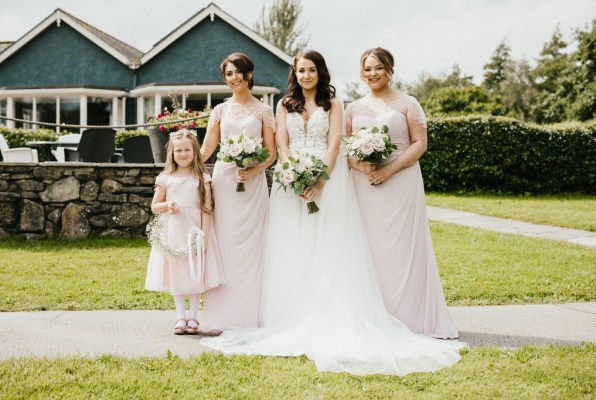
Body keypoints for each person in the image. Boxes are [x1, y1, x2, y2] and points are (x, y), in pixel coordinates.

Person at [202, 50, 463, 376]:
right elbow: (281, 143)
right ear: (294, 74)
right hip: (291, 185)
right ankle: (287, 315)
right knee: (293, 249)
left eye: (311, 70)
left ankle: (328, 310)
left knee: (327, 249)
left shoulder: (335, 104)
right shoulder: (283, 105)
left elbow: (335, 146)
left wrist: (320, 180)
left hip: (329, 182)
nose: (306, 75)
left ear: (320, 72)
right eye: (301, 70)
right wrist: (293, 174)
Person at [345, 47, 458, 339]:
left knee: (402, 246)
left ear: (390, 70)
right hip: (364, 184)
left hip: (401, 182)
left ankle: (409, 317)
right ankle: (374, 314)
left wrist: (390, 169)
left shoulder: (408, 103)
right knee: (369, 248)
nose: (373, 74)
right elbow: (346, 149)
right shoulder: (353, 108)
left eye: (378, 68)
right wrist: (364, 167)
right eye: (367, 69)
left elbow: (420, 143)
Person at [199, 52, 276, 334]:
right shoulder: (220, 110)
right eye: (228, 74)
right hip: (224, 180)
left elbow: (271, 153)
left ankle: (250, 313)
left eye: (237, 72)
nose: (233, 78)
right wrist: (180, 167)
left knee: (252, 245)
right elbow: (207, 149)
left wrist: (254, 170)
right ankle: (221, 313)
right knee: (225, 243)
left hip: (253, 184)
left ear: (249, 74)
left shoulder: (263, 110)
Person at [145, 129, 224, 335]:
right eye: (178, 150)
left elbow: (207, 208)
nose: (183, 154)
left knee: (195, 270)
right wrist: (167, 204)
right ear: (172, 152)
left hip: (195, 229)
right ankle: (180, 316)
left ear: (194, 151)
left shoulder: (202, 177)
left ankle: (194, 316)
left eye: (187, 150)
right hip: (174, 231)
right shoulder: (166, 178)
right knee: (177, 271)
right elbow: (154, 206)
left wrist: (204, 237)